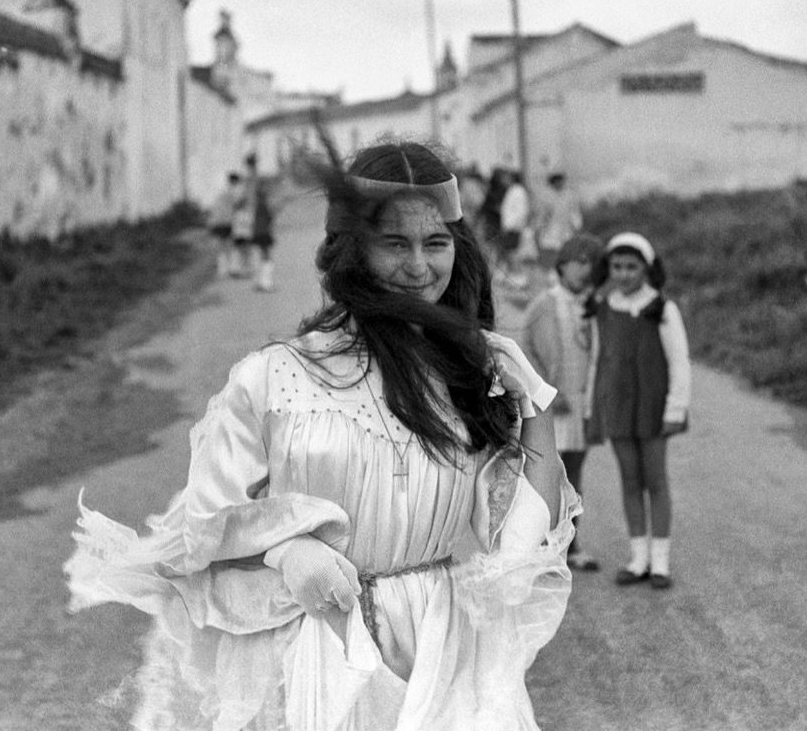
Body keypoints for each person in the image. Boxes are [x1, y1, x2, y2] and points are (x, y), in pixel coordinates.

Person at [65, 140, 580, 730]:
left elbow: (515, 542)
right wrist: (288, 551)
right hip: (313, 644)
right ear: (352, 251)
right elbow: (204, 523)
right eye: (395, 244)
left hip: (440, 651)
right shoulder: (276, 378)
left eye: (436, 243)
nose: (419, 267)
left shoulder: (473, 375)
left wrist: (533, 409)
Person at [584, 232, 691, 590]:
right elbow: (598, 361)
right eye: (617, 266)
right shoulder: (603, 308)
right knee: (630, 481)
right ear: (608, 269)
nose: (624, 274)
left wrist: (676, 408)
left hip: (653, 408)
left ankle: (660, 562)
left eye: (632, 267)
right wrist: (592, 406)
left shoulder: (662, 308)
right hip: (618, 407)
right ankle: (638, 558)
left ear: (646, 269)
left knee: (655, 481)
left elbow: (679, 362)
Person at [522, 232, 603, 572]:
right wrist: (549, 392)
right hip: (553, 405)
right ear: (563, 264)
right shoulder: (546, 302)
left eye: (592, 264)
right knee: (548, 478)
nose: (585, 270)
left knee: (574, 476)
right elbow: (530, 352)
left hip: (581, 402)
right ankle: (544, 549)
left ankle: (570, 546)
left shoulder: (591, 306)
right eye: (579, 261)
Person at [535, 173, 582, 273]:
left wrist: (577, 227)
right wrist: (539, 229)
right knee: (550, 255)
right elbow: (542, 215)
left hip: (566, 231)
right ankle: (551, 274)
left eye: (560, 180)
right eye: (556, 180)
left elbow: (574, 213)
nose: (559, 183)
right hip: (550, 231)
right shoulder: (546, 196)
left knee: (566, 255)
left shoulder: (570, 195)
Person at [245, 153, 277, 292]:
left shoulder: (249, 182)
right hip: (261, 227)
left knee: (256, 253)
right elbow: (270, 215)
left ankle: (258, 281)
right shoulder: (259, 193)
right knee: (265, 254)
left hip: (252, 225)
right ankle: (266, 282)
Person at [497, 171, 531, 287]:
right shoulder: (513, 190)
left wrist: (510, 225)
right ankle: (510, 275)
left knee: (512, 252)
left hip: (513, 227)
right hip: (510, 226)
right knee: (508, 252)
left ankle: (518, 276)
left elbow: (521, 212)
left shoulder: (518, 191)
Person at [208, 171, 242, 278]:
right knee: (232, 245)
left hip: (217, 221)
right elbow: (238, 204)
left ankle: (222, 270)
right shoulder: (234, 191)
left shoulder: (221, 191)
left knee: (221, 246)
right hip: (227, 221)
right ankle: (234, 268)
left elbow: (215, 206)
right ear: (235, 181)